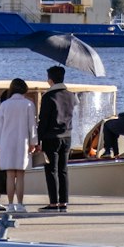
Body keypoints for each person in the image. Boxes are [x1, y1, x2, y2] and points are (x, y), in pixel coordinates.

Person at [37, 63, 76, 210]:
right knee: (63, 170)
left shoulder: (48, 97)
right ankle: (64, 201)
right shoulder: (71, 95)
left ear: (50, 79)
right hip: (67, 137)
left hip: (51, 137)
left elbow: (44, 121)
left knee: (51, 170)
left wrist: (37, 139)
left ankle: (53, 202)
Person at [0, 77, 38, 214]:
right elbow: (32, 126)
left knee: (9, 175)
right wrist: (34, 143)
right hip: (23, 142)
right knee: (20, 175)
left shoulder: (4, 105)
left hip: (6, 142)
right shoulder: (28, 104)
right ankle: (20, 204)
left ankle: (9, 204)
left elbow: (0, 127)